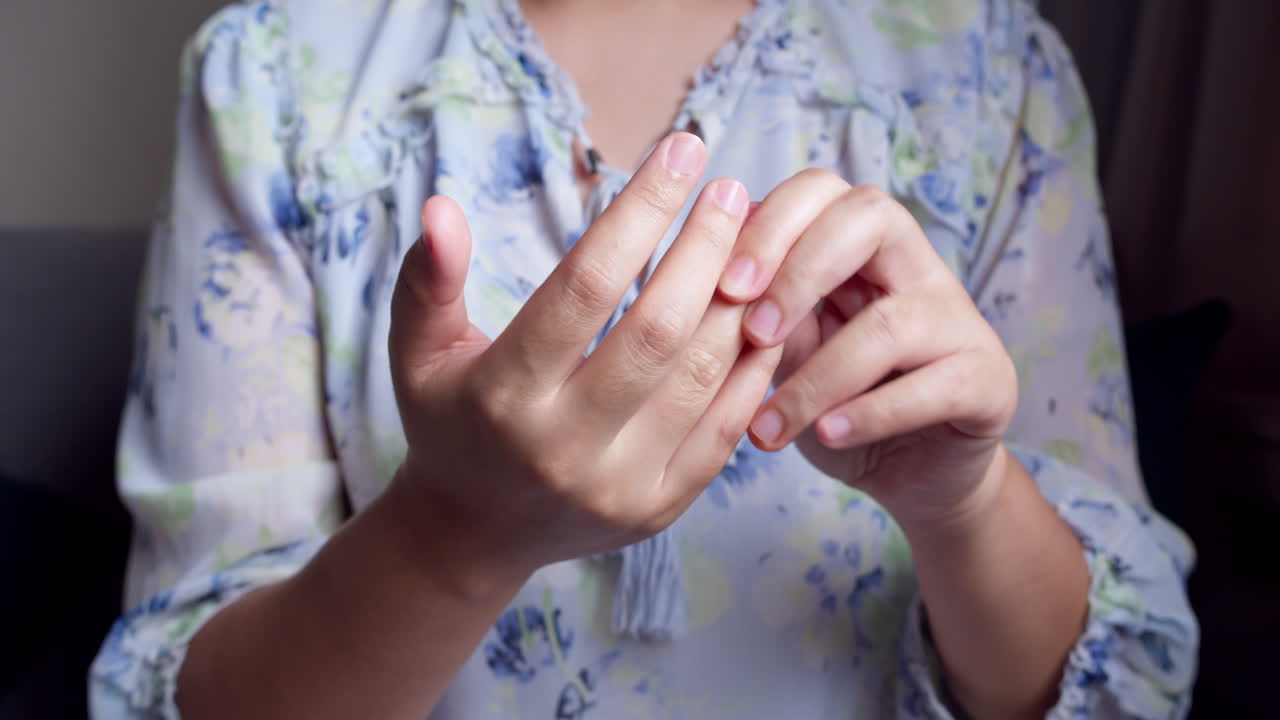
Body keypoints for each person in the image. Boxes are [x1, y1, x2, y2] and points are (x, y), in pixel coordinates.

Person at [89, 0, 1197, 718]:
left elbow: (1124, 687)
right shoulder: (279, 77)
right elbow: (190, 692)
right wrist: (446, 541)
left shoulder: (987, 74)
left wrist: (961, 503)